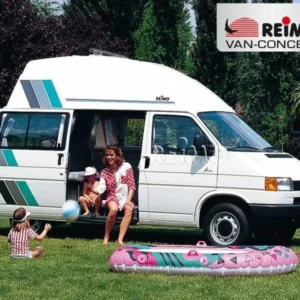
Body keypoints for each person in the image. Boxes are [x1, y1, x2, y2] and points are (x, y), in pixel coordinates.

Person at [95, 145, 136, 245]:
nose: (109, 157)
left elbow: (132, 186)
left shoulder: (126, 166)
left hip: (126, 196)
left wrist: (128, 200)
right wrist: (95, 190)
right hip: (112, 196)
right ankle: (106, 236)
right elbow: (102, 186)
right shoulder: (104, 171)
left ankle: (120, 239)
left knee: (129, 209)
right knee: (113, 210)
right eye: (107, 155)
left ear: (117, 156)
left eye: (111, 155)